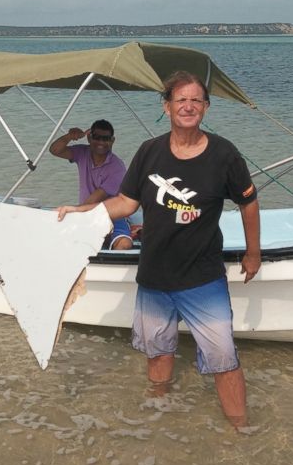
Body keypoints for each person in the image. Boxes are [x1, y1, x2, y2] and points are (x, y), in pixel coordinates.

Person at [57, 72, 261, 429]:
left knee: (223, 357)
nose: (188, 106)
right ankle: (158, 420)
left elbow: (249, 202)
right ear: (166, 106)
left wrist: (253, 253)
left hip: (203, 278)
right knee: (158, 350)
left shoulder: (224, 153)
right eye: (181, 100)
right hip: (154, 276)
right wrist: (80, 212)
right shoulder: (149, 151)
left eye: (196, 100)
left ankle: (241, 429)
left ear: (206, 108)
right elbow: (124, 202)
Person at [49, 119, 134, 250]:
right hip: (85, 212)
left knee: (124, 244)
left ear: (112, 141)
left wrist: (76, 210)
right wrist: (70, 136)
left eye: (105, 139)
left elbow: (97, 196)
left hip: (112, 214)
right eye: (97, 137)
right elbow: (55, 150)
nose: (101, 142)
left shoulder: (117, 167)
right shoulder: (82, 153)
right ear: (89, 138)